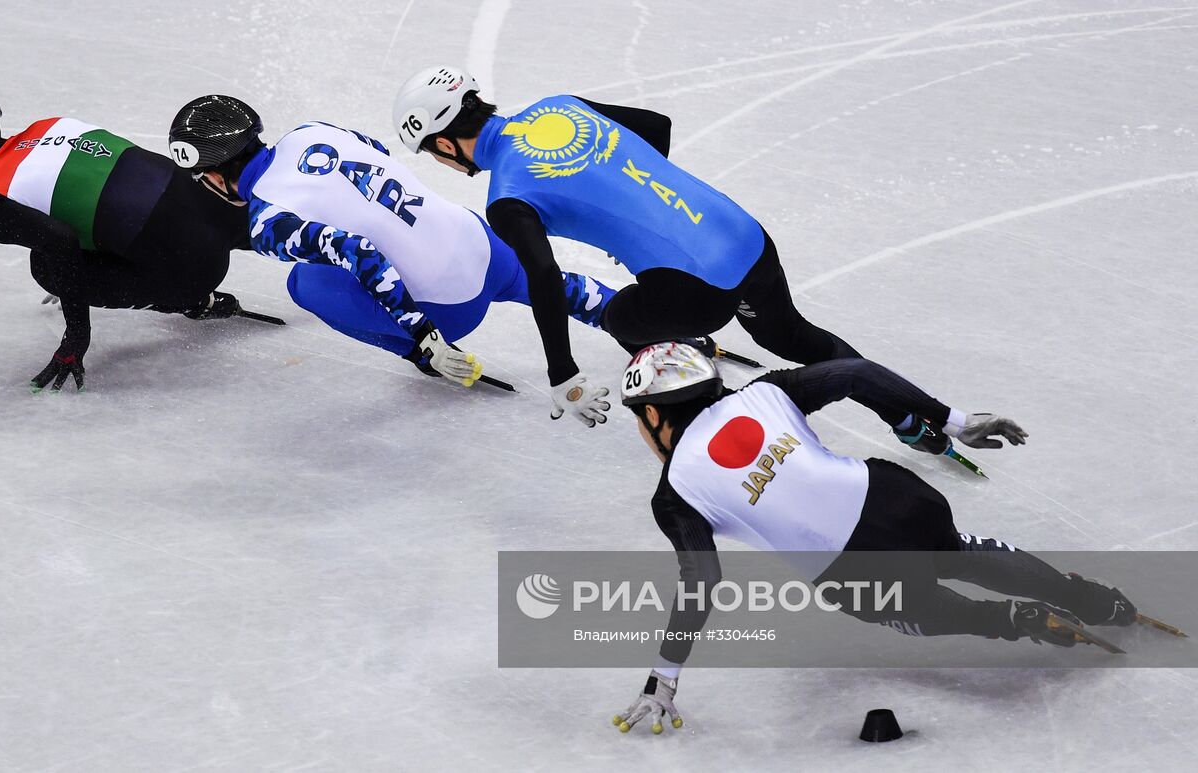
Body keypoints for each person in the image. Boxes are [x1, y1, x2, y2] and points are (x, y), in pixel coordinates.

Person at [390, 67, 953, 449]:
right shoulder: (555, 108)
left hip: (695, 293)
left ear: (443, 143)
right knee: (790, 337)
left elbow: (543, 276)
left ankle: (724, 422)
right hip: (741, 232)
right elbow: (655, 128)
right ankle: (909, 418)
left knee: (622, 317)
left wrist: (562, 372)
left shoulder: (507, 194)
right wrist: (633, 202)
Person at [611, 342, 1135, 734]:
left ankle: (1009, 619)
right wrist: (953, 422)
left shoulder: (674, 493)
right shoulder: (765, 393)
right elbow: (857, 374)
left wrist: (665, 675)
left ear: (653, 415)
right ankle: (1094, 599)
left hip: (848, 569)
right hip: (894, 497)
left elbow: (703, 580)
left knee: (916, 607)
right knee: (960, 553)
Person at [167, 96, 616, 390]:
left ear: (210, 174)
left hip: (448, 310)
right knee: (548, 282)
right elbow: (377, 152)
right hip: (482, 244)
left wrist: (425, 338)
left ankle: (421, 356)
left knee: (305, 283)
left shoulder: (267, 220)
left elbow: (357, 251)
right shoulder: (311, 131)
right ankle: (629, 315)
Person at [0, 91, 251, 392]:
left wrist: (75, 338)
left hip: (194, 270)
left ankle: (196, 302)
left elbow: (61, 244)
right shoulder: (50, 127)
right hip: (223, 211)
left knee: (47, 267)